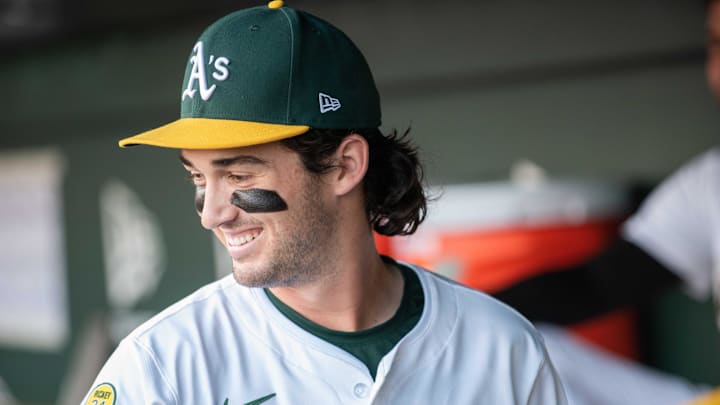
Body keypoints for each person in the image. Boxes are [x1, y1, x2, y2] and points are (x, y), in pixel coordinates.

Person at [81, 2, 567, 404]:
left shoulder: (502, 348)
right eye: (198, 178)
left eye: (238, 174)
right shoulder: (163, 365)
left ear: (345, 165)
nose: (213, 213)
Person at [494, 1, 720, 404]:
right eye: (716, 46)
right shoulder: (711, 180)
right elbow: (596, 284)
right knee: (518, 344)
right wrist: (448, 311)